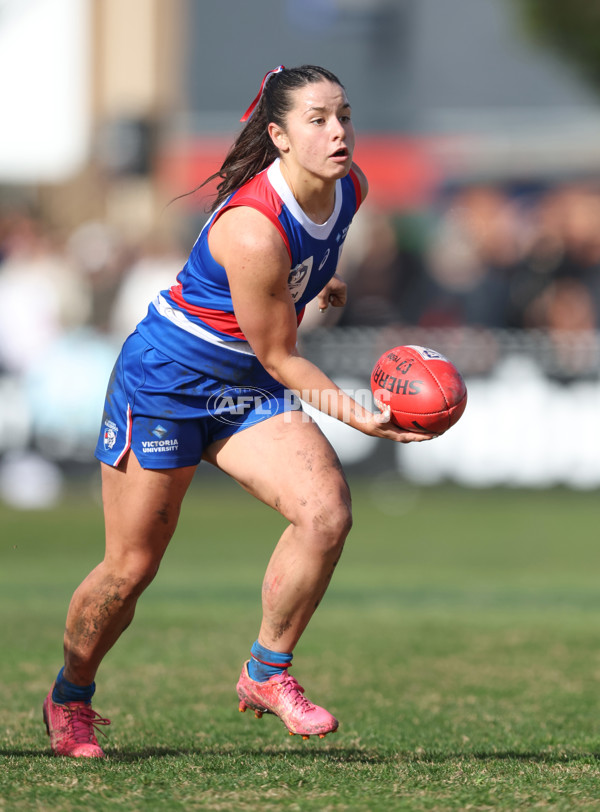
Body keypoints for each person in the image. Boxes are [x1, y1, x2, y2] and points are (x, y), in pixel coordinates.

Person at [42, 64, 432, 758]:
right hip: (166, 383)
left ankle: (266, 672)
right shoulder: (251, 229)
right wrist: (361, 416)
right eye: (318, 120)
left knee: (325, 514)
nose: (339, 131)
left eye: (343, 115)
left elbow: (298, 269)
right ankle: (69, 697)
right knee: (130, 568)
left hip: (242, 382)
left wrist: (319, 279)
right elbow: (282, 356)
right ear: (279, 137)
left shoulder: (352, 187)